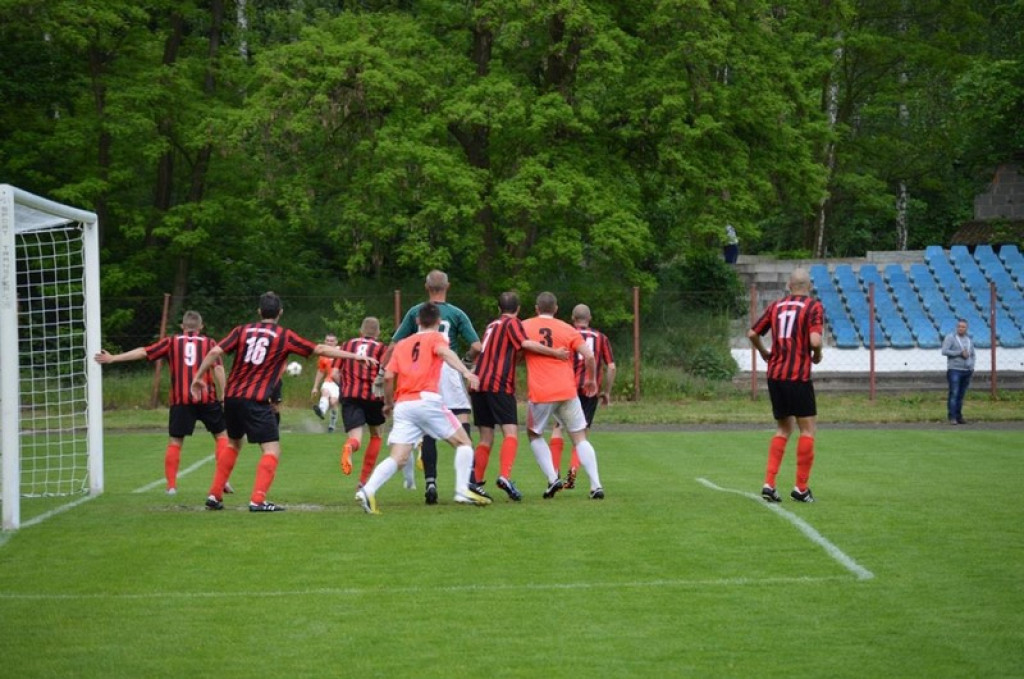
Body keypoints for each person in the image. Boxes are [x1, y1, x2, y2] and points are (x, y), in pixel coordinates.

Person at [189, 291, 376, 512]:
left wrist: (198, 378)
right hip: (256, 401)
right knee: (271, 450)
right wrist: (355, 356)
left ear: (259, 311)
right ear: (280, 312)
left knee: (233, 443)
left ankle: (214, 495)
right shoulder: (283, 336)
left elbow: (214, 352)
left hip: (232, 398)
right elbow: (320, 349)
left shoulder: (242, 330)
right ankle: (257, 500)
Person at [355, 302, 488, 514]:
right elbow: (445, 353)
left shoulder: (403, 344)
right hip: (427, 399)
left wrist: (389, 403)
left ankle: (367, 491)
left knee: (398, 458)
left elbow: (389, 376)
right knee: (464, 443)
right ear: (438, 322)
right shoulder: (438, 337)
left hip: (404, 405)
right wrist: (466, 372)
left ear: (417, 321)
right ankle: (462, 490)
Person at [95, 310, 232, 497]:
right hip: (206, 397)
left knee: (176, 440)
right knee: (221, 436)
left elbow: (144, 352)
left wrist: (113, 358)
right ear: (201, 327)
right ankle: (222, 480)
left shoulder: (172, 342)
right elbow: (218, 370)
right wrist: (224, 395)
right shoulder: (210, 343)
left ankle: (171, 486)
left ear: (182, 327)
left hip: (181, 398)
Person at [381, 270, 481, 505]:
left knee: (427, 428)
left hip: (422, 371)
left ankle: (431, 482)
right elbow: (477, 345)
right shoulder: (457, 313)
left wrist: (381, 368)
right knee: (461, 419)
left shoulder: (416, 311)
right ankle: (470, 482)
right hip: (447, 365)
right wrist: (466, 363)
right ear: (448, 286)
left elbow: (394, 344)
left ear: (426, 287)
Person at [470, 292, 570, 501]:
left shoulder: (492, 325)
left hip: (479, 384)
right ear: (517, 309)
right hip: (499, 384)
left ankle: (475, 483)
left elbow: (500, 351)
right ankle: (505, 476)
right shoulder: (512, 323)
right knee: (511, 433)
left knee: (486, 437)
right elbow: (526, 344)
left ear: (498, 308)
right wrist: (555, 353)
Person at [748, 267, 824, 504]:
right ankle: (801, 488)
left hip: (776, 375)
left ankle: (769, 484)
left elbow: (752, 333)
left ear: (789, 285)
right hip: (798, 376)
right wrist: (817, 354)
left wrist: (764, 353)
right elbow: (814, 340)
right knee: (808, 430)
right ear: (808, 287)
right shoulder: (813, 307)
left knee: (783, 429)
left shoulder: (776, 306)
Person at [521, 292, 605, 500]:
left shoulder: (524, 325)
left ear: (536, 308)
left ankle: (552, 478)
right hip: (567, 390)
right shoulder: (567, 329)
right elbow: (589, 356)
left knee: (534, 434)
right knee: (579, 437)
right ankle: (596, 485)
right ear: (556, 309)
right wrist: (591, 379)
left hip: (541, 391)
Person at [549, 303, 616, 490]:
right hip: (589, 390)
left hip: (567, 388)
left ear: (572, 317)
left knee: (558, 427)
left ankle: (554, 472)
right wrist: (606, 391)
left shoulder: (566, 333)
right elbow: (611, 366)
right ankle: (573, 468)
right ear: (590, 318)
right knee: (582, 432)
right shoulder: (601, 337)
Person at [336, 317, 389, 487]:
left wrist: (345, 387)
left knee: (355, 437)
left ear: (360, 331)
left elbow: (335, 373)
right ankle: (363, 481)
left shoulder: (346, 345)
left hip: (350, 396)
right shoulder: (382, 348)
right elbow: (387, 374)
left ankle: (350, 447)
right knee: (376, 435)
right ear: (378, 333)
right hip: (374, 398)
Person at [941, 319, 975, 425]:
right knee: (954, 393)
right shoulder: (950, 338)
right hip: (955, 370)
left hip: (967, 370)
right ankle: (952, 417)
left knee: (961, 395)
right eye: (959, 326)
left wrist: (972, 366)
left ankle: (959, 416)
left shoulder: (969, 340)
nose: (961, 328)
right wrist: (959, 353)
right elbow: (944, 351)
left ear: (966, 328)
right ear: (956, 327)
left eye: (963, 327)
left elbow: (972, 354)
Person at [311, 333, 341, 432]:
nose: (329, 343)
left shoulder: (341, 351)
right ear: (325, 341)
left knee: (333, 402)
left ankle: (332, 425)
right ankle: (321, 411)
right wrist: (315, 387)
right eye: (327, 340)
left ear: (336, 342)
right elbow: (320, 371)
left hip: (338, 382)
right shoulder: (323, 355)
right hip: (328, 381)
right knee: (325, 393)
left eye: (332, 341)